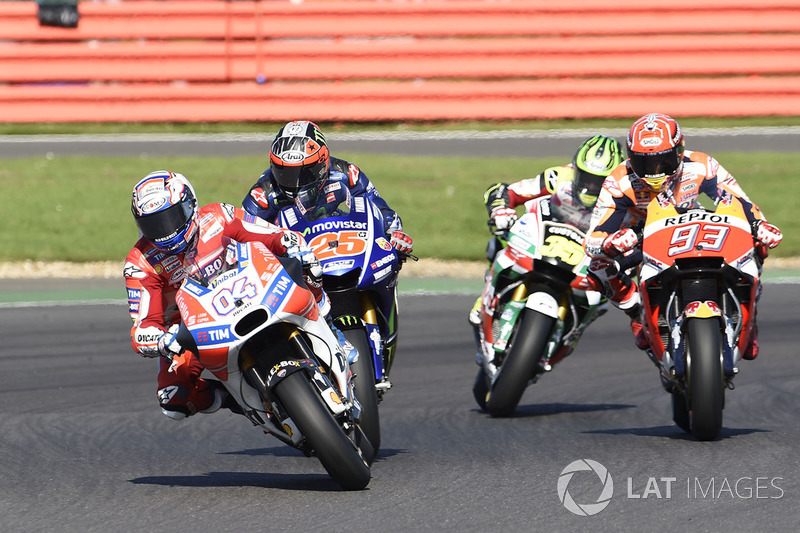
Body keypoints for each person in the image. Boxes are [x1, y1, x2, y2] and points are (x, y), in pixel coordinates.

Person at [124, 170, 323, 420]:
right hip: (194, 329)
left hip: (253, 292)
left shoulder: (219, 216)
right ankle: (234, 399)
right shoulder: (139, 264)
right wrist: (162, 341)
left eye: (171, 217)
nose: (165, 231)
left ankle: (329, 326)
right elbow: (143, 326)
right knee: (172, 400)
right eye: (154, 224)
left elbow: (271, 235)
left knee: (309, 267)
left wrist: (292, 244)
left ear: (190, 205)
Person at [583, 113, 783, 358]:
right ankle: (636, 314)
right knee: (597, 267)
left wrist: (759, 225)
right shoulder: (619, 180)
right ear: (631, 158)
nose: (654, 172)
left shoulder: (701, 165)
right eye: (644, 163)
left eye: (662, 162)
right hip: (641, 238)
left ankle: (749, 319)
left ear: (679, 152)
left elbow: (740, 201)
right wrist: (610, 242)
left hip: (694, 227)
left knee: (757, 244)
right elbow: (593, 238)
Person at [468, 134, 625, 325]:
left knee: (607, 291)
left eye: (598, 181)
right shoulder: (559, 176)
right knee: (500, 240)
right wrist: (501, 210)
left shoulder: (622, 191)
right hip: (546, 236)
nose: (590, 186)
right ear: (575, 169)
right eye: (586, 178)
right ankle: (485, 297)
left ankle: (577, 324)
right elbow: (508, 191)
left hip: (587, 250)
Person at [241, 120, 413, 256]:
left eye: (305, 173)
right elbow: (242, 234)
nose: (295, 183)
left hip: (344, 247)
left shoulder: (346, 173)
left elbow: (377, 205)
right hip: (292, 259)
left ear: (323, 164)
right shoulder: (263, 193)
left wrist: (393, 230)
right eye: (285, 173)